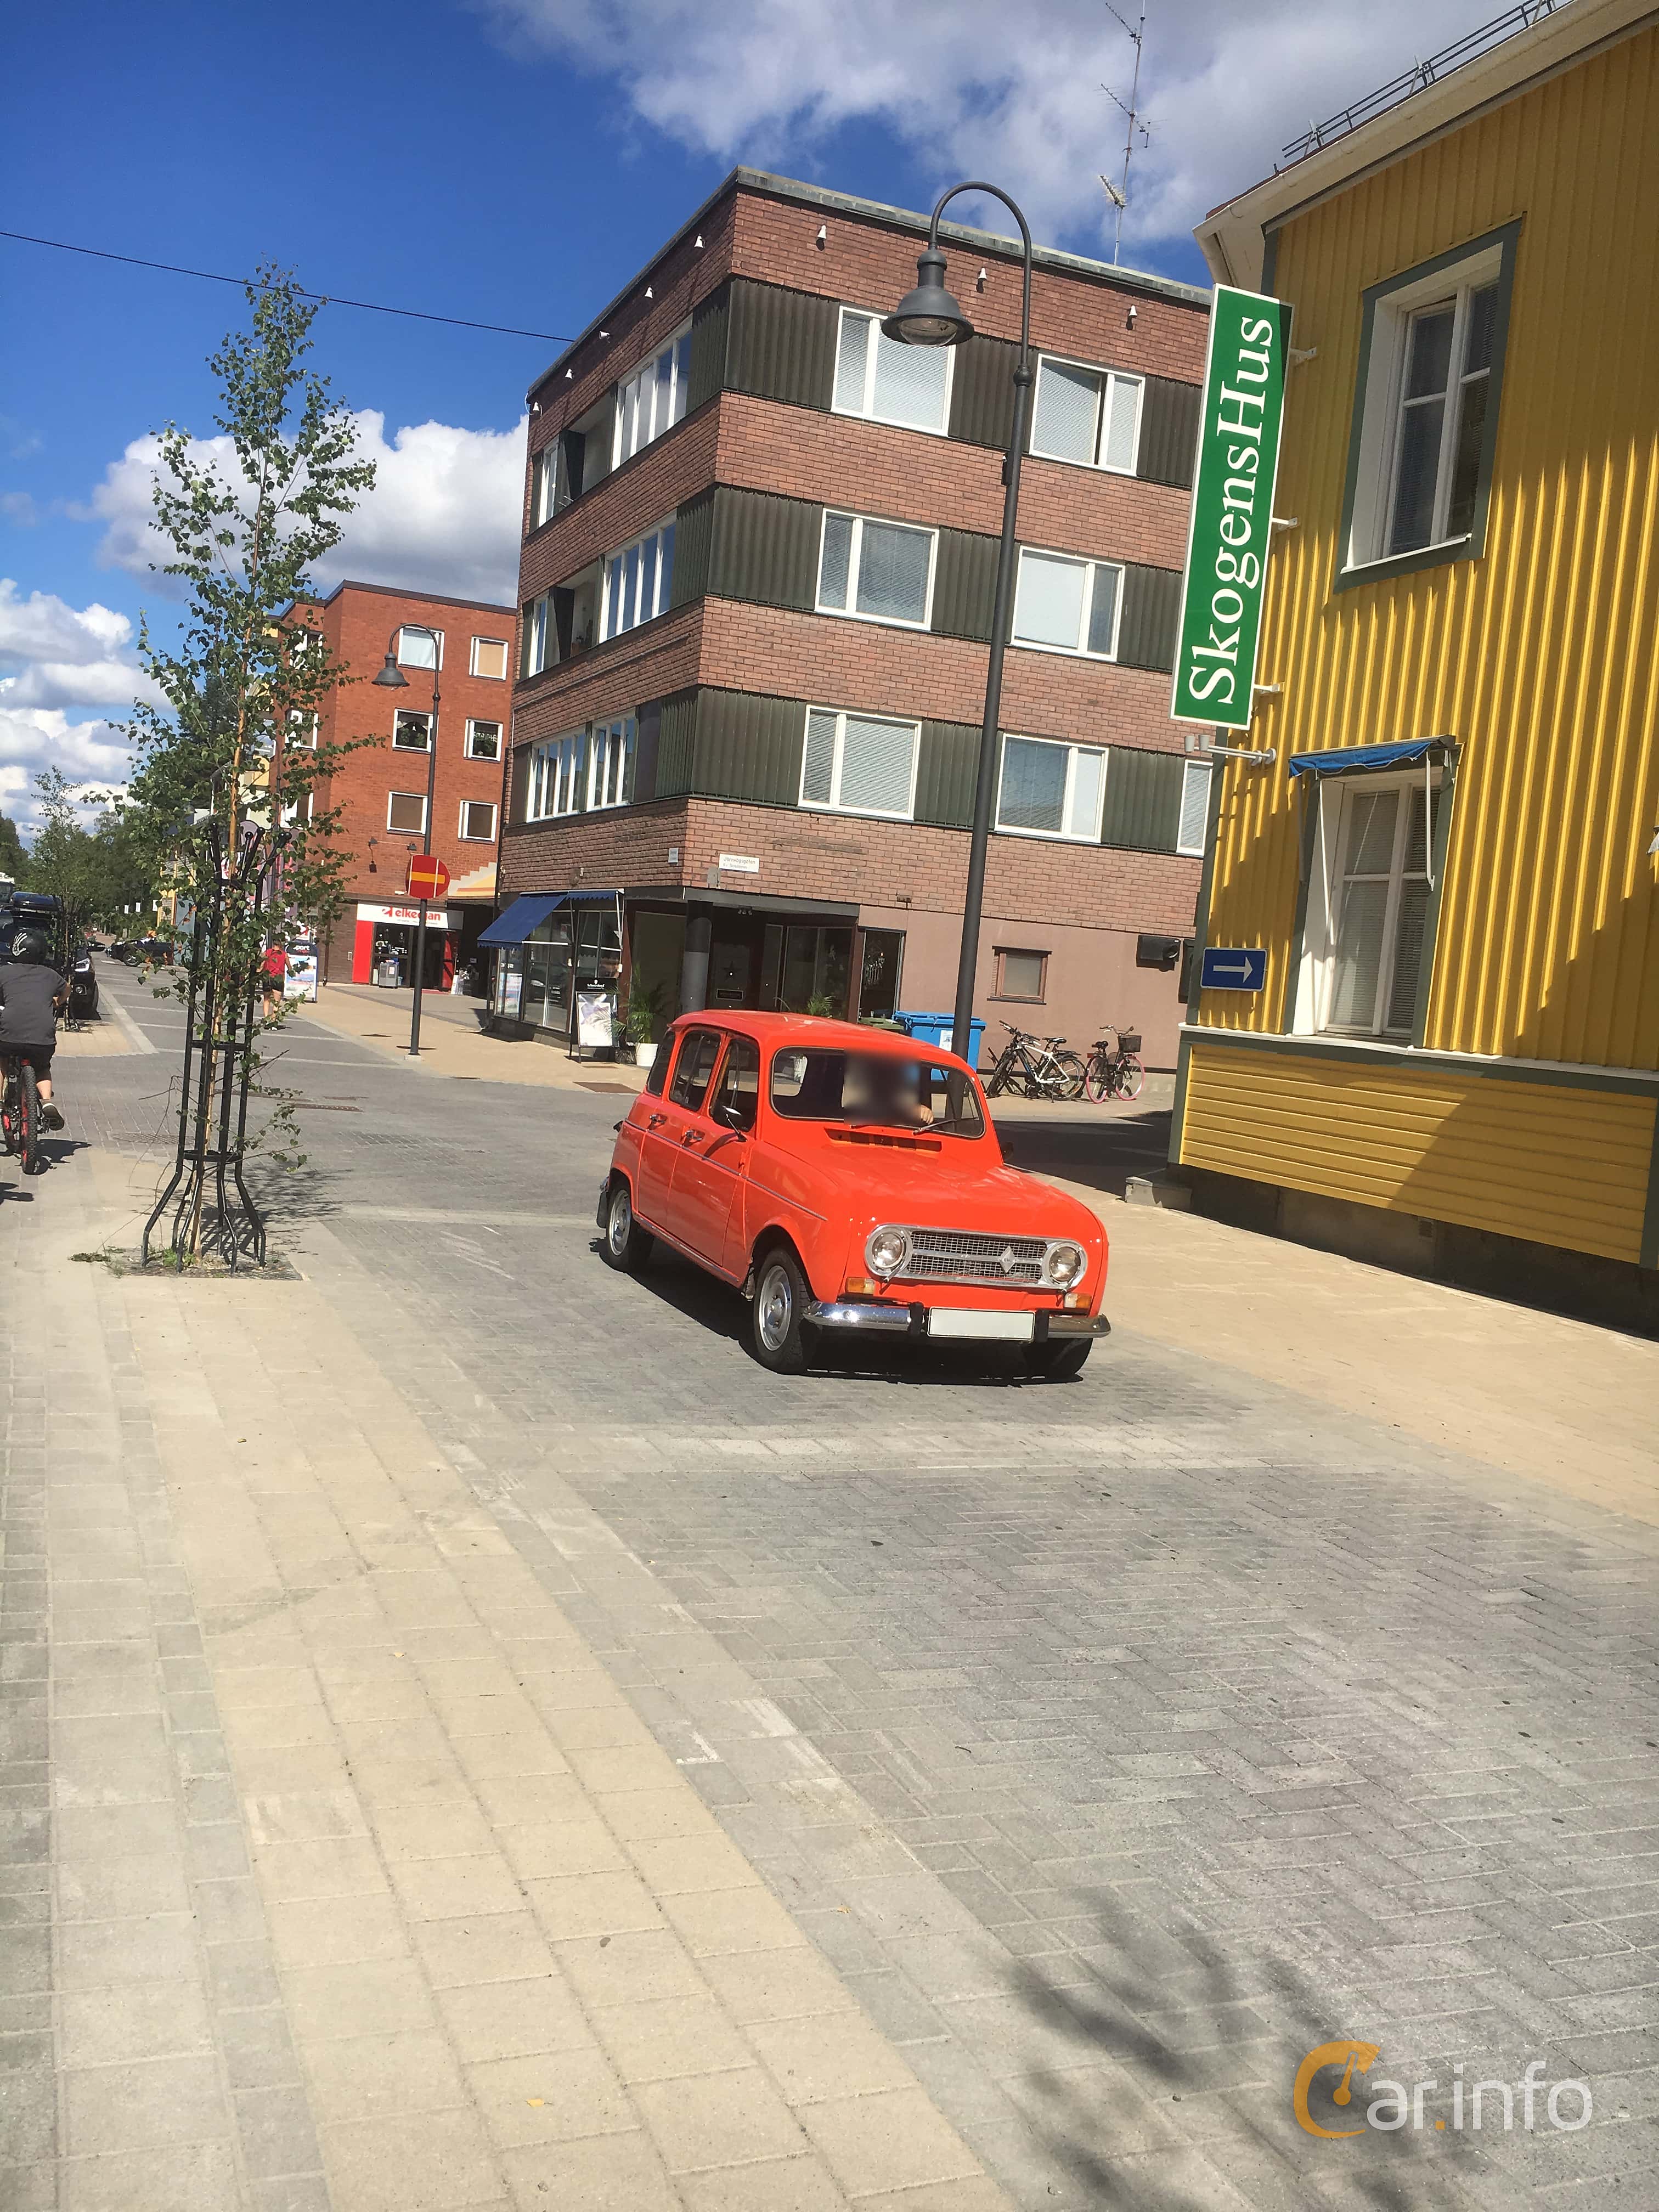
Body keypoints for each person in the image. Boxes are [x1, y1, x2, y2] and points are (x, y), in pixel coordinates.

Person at [0, 928, 68, 1130]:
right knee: (42, 1067)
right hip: (43, 1038)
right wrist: (57, 1002)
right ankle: (47, 1102)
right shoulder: (51, 975)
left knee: (2, 1061)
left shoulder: (5, 971)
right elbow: (67, 990)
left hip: (10, 1034)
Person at [261, 939, 287, 1019]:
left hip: (267, 978)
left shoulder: (267, 952)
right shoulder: (284, 955)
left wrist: (258, 971)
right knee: (276, 1002)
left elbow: (262, 965)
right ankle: (273, 1020)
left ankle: (266, 1018)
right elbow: (289, 968)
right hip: (278, 979)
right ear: (281, 945)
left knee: (266, 999)